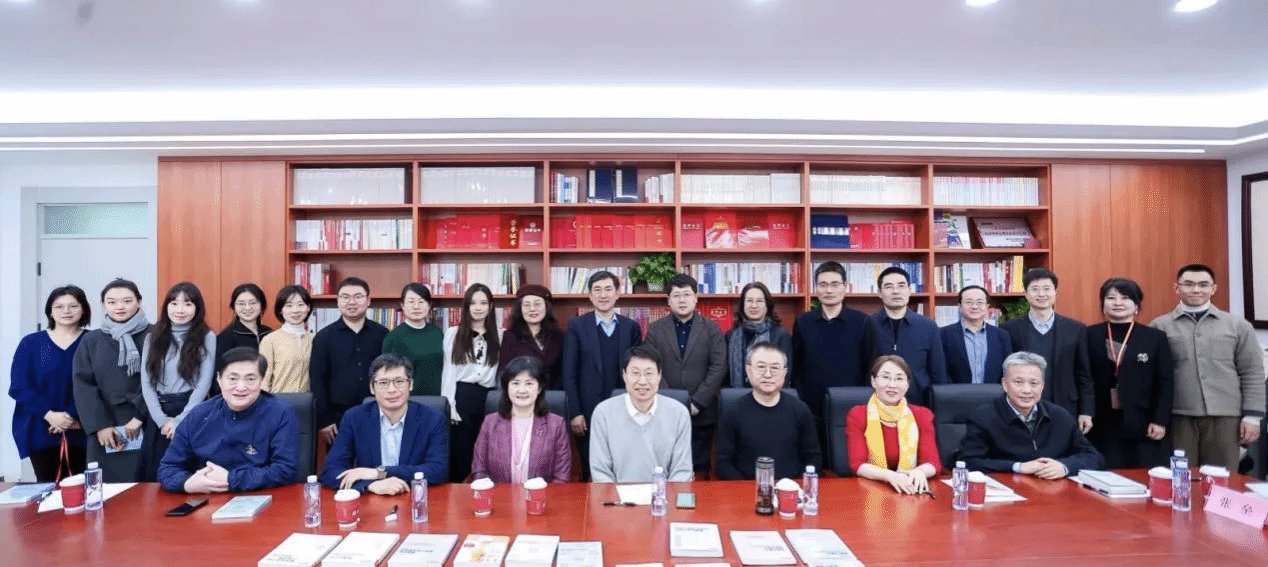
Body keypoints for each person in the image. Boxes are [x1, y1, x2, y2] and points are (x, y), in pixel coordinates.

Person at [1151, 263, 1265, 471]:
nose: (1196, 290)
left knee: (1221, 479)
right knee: (1181, 477)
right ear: (1177, 288)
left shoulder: (1238, 326)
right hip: (1178, 416)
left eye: (1203, 285)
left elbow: (1252, 372)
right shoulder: (1160, 326)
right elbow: (1152, 376)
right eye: (1189, 284)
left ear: (1214, 289)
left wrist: (1252, 417)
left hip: (1226, 417)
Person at [157, 347, 298, 493]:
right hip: (206, 496)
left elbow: (285, 468)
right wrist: (186, 484)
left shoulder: (280, 412)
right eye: (233, 379)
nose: (241, 387)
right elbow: (168, 467)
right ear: (219, 379)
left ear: (261, 380)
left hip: (261, 496)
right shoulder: (199, 414)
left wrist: (231, 479)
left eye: (250, 379)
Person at [960, 351, 1103, 479]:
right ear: (1004, 384)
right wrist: (1018, 467)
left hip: (1052, 491)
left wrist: (1064, 466)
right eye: (1018, 382)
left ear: (1042, 386)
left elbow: (1094, 457)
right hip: (1007, 490)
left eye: (1034, 383)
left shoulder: (1061, 416)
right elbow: (968, 462)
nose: (1027, 390)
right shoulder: (983, 417)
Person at [319, 353, 449, 493]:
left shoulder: (433, 419)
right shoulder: (354, 418)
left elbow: (438, 470)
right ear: (372, 388)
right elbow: (330, 471)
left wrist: (380, 473)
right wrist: (369, 485)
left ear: (410, 384)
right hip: (371, 499)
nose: (392, 389)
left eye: (399, 382)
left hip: (416, 496)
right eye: (383, 383)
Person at [562, 270, 643, 480]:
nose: (603, 295)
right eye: (597, 290)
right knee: (591, 469)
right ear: (590, 295)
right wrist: (575, 412)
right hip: (588, 412)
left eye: (608, 289)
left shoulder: (631, 327)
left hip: (625, 409)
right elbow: (569, 372)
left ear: (617, 293)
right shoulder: (577, 326)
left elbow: (638, 371)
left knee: (625, 467)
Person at [644, 273, 727, 475]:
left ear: (696, 298)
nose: (682, 300)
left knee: (699, 467)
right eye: (676, 295)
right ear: (668, 300)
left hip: (702, 412)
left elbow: (718, 366)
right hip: (663, 410)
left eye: (687, 295)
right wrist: (670, 400)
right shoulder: (655, 329)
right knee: (664, 465)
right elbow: (650, 366)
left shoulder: (711, 328)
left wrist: (697, 401)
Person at [1086, 278, 1173, 469]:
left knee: (1141, 474)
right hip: (1100, 421)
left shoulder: (1154, 337)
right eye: (1111, 298)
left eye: (1125, 298)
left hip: (1142, 422)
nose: (1118, 303)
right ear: (1103, 304)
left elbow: (1164, 382)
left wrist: (1160, 420)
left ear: (1136, 305)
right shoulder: (1088, 334)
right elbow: (1083, 377)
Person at [71, 278, 151, 482]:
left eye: (127, 301)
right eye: (112, 302)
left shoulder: (156, 335)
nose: (119, 307)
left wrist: (140, 415)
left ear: (139, 302)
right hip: (107, 424)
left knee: (149, 484)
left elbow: (161, 379)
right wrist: (100, 425)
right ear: (103, 305)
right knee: (108, 487)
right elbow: (83, 385)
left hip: (149, 420)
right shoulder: (91, 340)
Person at [9, 286, 91, 481]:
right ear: (50, 311)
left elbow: (97, 384)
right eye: (59, 306)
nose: (66, 311)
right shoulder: (31, 343)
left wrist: (70, 415)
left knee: (85, 487)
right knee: (47, 487)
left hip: (83, 426)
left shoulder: (93, 341)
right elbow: (19, 386)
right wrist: (49, 414)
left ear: (83, 310)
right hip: (41, 426)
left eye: (73, 306)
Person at [1000, 269, 1094, 434]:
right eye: (1035, 289)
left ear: (1056, 292)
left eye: (1046, 289)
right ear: (1025, 293)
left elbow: (1084, 374)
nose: (1041, 294)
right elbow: (1005, 372)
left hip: (1066, 406)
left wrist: (1086, 411)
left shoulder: (1075, 329)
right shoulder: (1009, 329)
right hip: (1023, 405)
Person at [139, 282, 217, 482]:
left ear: (197, 308)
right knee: (154, 476)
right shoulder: (152, 337)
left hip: (192, 410)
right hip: (159, 413)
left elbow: (204, 383)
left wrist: (181, 420)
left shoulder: (207, 336)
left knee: (191, 474)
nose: (180, 310)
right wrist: (161, 420)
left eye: (187, 304)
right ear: (166, 306)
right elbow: (146, 383)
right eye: (174, 303)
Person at [792, 261, 875, 438]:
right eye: (823, 285)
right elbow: (796, 366)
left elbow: (870, 365)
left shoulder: (862, 322)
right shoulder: (803, 322)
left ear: (845, 287)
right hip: (811, 409)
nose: (828, 290)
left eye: (834, 284)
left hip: (852, 407)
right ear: (816, 288)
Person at [715, 342, 820, 481]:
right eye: (761, 367)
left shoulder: (800, 410)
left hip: (791, 488)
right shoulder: (732, 412)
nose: (768, 374)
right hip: (746, 489)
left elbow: (813, 457)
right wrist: (750, 488)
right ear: (748, 370)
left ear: (784, 373)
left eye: (775, 368)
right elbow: (724, 463)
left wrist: (794, 486)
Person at [589, 346, 693, 483]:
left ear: (659, 376)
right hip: (617, 495)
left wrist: (662, 495)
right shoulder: (603, 413)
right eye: (635, 373)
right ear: (624, 375)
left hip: (663, 494)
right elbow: (600, 472)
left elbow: (682, 471)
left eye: (649, 373)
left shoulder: (679, 413)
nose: (642, 381)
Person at [310, 277, 389, 447]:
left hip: (377, 411)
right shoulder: (323, 337)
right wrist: (325, 419)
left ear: (368, 300)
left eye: (358, 296)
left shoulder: (382, 334)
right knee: (341, 461)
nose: (351, 302)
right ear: (338, 301)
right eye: (345, 297)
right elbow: (317, 380)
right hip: (337, 417)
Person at [847, 355, 941, 494]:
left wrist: (921, 471)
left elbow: (933, 462)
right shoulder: (858, 415)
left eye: (899, 378)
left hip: (910, 490)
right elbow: (858, 464)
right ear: (873, 381)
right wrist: (890, 476)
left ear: (907, 384)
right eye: (886, 377)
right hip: (870, 490)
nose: (892, 385)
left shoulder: (922, 415)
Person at [472, 356, 571, 483]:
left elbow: (562, 476)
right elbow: (479, 471)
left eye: (529, 383)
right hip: (498, 495)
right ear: (507, 387)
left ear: (539, 388)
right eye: (515, 383)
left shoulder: (556, 425)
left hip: (543, 495)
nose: (522, 390)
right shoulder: (490, 423)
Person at [441, 283, 501, 482]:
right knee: (462, 453)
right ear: (466, 306)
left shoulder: (501, 334)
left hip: (489, 398)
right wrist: (450, 405)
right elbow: (449, 371)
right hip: (462, 396)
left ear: (491, 306)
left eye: (483, 303)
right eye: (473, 303)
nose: (478, 307)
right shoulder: (453, 333)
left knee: (489, 450)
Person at [869, 266, 947, 405]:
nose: (896, 291)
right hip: (875, 406)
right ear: (879, 293)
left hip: (918, 406)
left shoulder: (928, 327)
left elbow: (938, 373)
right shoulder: (868, 324)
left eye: (901, 285)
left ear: (909, 290)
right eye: (888, 286)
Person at [941, 285, 1013, 385]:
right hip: (955, 393)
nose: (974, 307)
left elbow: (1007, 369)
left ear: (987, 306)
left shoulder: (1002, 336)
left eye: (980, 302)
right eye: (969, 302)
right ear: (960, 306)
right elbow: (940, 369)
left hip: (993, 393)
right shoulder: (943, 335)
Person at [725, 282, 792, 388]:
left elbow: (786, 374)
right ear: (743, 305)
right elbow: (725, 374)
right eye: (749, 301)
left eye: (759, 301)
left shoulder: (781, 336)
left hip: (770, 394)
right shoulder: (730, 336)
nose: (754, 305)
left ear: (767, 305)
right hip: (737, 395)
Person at [381, 283, 444, 396]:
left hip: (438, 398)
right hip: (408, 399)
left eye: (421, 302)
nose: (416, 307)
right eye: (411, 302)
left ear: (429, 305)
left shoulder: (438, 333)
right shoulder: (393, 337)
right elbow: (388, 374)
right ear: (403, 305)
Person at [499, 284, 564, 390]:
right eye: (527, 305)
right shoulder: (510, 337)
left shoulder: (559, 337)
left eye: (537, 304)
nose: (532, 309)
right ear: (520, 309)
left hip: (553, 395)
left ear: (546, 307)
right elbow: (505, 373)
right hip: (522, 394)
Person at [259, 285, 315, 393]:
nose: (295, 310)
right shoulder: (270, 340)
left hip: (307, 401)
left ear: (308, 307)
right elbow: (263, 381)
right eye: (289, 305)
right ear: (280, 310)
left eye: (300, 305)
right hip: (278, 399)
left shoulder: (315, 339)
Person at [214, 283, 272, 367]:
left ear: (262, 305)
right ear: (234, 306)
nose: (247, 308)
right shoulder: (226, 337)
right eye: (241, 304)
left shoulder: (269, 333)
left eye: (253, 303)